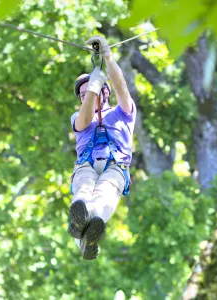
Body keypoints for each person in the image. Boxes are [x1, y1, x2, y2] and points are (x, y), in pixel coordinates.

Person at [68, 35, 137, 260]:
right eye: (83, 94)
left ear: (106, 93)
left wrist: (107, 56)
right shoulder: (79, 117)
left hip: (115, 167)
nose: (89, 95)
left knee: (104, 195)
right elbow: (85, 118)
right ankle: (83, 227)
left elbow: (121, 86)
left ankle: (89, 229)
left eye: (96, 90)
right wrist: (92, 89)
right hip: (86, 165)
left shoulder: (123, 114)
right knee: (83, 193)